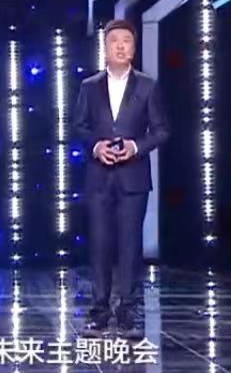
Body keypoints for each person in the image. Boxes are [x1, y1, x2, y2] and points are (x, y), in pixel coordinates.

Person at [72, 19, 170, 338]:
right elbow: (79, 126)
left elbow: (161, 130)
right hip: (98, 177)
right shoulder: (89, 86)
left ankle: (127, 311)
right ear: (105, 47)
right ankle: (99, 312)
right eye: (114, 40)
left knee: (130, 246)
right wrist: (96, 146)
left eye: (126, 41)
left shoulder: (148, 86)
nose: (120, 46)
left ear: (134, 48)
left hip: (133, 178)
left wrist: (134, 147)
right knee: (99, 245)